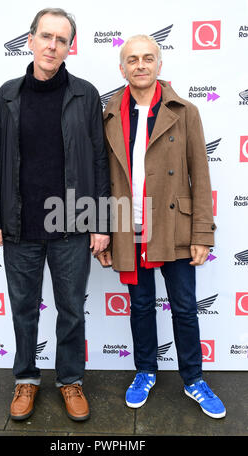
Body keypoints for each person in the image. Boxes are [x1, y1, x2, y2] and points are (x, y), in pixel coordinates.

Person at [0, 8, 110, 422]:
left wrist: (102, 221)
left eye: (62, 39)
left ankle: (70, 380)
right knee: (23, 309)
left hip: (72, 225)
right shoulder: (7, 95)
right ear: (31, 39)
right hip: (19, 227)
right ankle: (26, 379)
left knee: (71, 308)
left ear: (71, 47)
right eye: (46, 36)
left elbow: (99, 161)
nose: (53, 45)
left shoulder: (85, 94)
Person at [98, 34, 226, 419]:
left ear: (159, 65)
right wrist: (99, 231)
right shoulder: (106, 116)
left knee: (185, 307)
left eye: (147, 58)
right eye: (132, 59)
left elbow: (200, 176)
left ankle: (193, 379)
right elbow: (98, 179)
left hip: (175, 227)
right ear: (122, 68)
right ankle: (145, 370)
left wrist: (203, 233)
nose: (140, 65)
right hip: (128, 227)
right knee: (140, 306)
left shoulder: (184, 111)